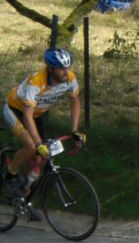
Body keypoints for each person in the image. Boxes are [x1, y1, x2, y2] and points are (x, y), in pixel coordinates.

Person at [2, 48, 86, 204]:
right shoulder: (36, 82)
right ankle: (10, 173)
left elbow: (75, 102)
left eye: (68, 67)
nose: (66, 72)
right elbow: (27, 115)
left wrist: (74, 131)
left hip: (37, 114)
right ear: (51, 68)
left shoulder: (70, 78)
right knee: (32, 147)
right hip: (16, 110)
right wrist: (38, 143)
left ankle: (23, 198)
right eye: (61, 68)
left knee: (42, 157)